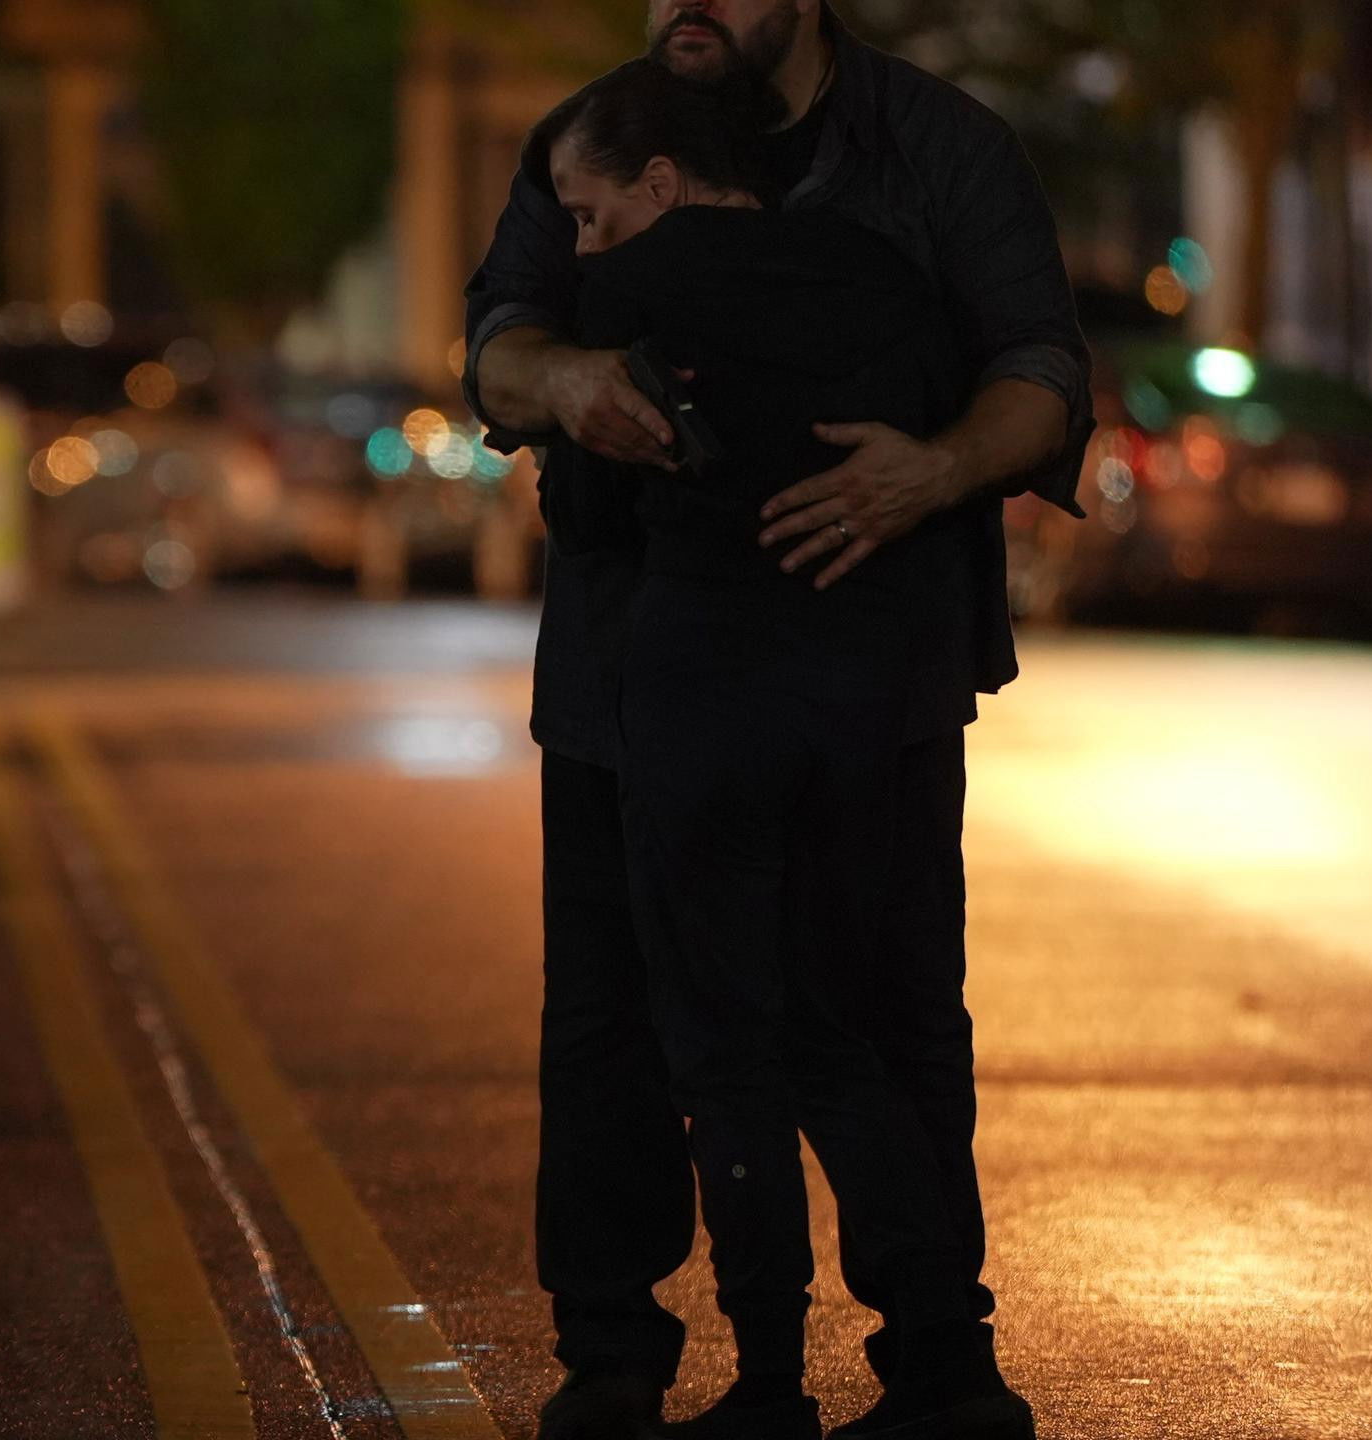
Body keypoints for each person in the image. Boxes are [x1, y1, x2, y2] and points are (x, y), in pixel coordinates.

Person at [462, 4, 1091, 1439]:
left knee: (877, 1011)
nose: (683, 4)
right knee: (619, 1021)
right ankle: (620, 1352)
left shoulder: (935, 146)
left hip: (851, 672)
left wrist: (931, 471)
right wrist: (566, 383)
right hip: (655, 677)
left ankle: (911, 1361)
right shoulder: (600, 133)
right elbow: (499, 340)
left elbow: (1043, 374)